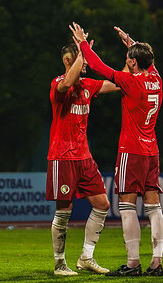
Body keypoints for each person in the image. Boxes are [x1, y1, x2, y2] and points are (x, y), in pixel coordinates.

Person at [70, 23, 163, 277]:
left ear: (133, 63)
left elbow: (101, 68)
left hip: (131, 151)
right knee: (154, 207)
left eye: (128, 60)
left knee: (127, 206)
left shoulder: (130, 81)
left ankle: (133, 264)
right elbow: (148, 61)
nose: (126, 62)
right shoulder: (156, 79)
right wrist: (131, 43)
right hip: (152, 151)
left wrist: (81, 42)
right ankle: (156, 263)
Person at [46, 35, 119, 276]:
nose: (85, 63)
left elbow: (119, 83)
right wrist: (81, 51)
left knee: (103, 204)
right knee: (63, 212)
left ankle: (86, 257)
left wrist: (137, 63)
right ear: (68, 60)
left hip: (84, 158)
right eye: (81, 59)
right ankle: (59, 264)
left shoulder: (88, 85)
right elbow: (67, 83)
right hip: (62, 157)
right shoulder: (59, 84)